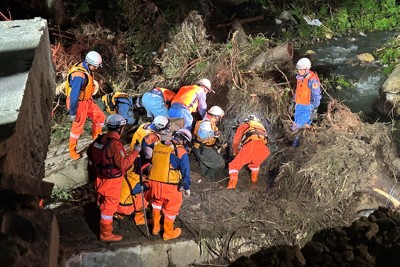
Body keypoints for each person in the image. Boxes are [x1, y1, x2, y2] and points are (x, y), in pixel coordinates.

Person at [86, 114, 142, 242]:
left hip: (100, 178)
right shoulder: (115, 145)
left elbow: (90, 154)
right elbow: (124, 164)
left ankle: (105, 215)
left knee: (102, 199)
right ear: (120, 128)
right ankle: (105, 234)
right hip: (112, 181)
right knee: (109, 206)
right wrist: (136, 151)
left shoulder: (99, 140)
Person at [147, 128, 192, 241]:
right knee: (172, 208)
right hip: (170, 185)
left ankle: (155, 227)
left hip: (154, 182)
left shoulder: (157, 145)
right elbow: (185, 170)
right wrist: (186, 186)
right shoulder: (180, 151)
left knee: (157, 203)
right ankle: (168, 233)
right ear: (185, 141)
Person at [65, 51, 106, 160]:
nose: (96, 68)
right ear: (89, 63)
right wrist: (73, 113)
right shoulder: (79, 76)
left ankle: (97, 140)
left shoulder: (87, 68)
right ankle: (72, 151)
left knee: (100, 117)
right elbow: (74, 95)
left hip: (87, 100)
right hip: (78, 103)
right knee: (77, 127)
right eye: (96, 66)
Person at [227, 115, 270, 189]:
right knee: (254, 165)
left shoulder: (244, 125)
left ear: (247, 121)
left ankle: (231, 188)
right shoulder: (261, 127)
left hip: (251, 147)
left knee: (233, 166)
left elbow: (236, 142)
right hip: (264, 150)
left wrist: (235, 154)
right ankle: (254, 183)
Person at [291, 57, 322, 147]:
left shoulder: (312, 80)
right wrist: (293, 101)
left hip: (308, 107)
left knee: (300, 126)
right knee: (296, 124)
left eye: (301, 70)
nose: (299, 71)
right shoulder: (300, 78)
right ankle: (297, 140)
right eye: (298, 70)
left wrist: (315, 108)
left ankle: (296, 144)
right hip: (299, 105)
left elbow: (317, 96)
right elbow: (298, 91)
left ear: (306, 69)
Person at [192, 106, 226, 179]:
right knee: (220, 164)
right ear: (216, 117)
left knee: (204, 166)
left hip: (201, 147)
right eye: (219, 118)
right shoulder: (206, 124)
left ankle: (206, 179)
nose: (219, 120)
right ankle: (207, 178)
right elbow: (202, 135)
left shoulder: (208, 122)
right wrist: (213, 133)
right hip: (203, 149)